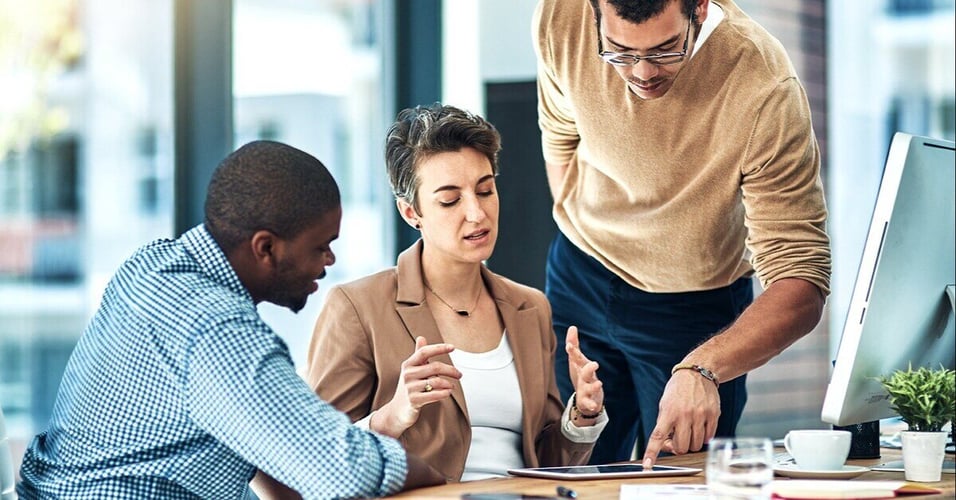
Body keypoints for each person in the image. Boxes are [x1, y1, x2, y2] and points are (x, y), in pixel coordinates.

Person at [16, 141, 443, 498]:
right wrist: (436, 481)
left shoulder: (150, 265)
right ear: (265, 248)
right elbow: (341, 470)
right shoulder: (216, 329)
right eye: (320, 246)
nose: (330, 260)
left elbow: (267, 440)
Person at [532, 0, 831, 467]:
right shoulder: (561, 15)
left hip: (692, 311)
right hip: (579, 278)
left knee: (681, 483)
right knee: (566, 472)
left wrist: (703, 368)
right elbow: (560, 133)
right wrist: (581, 219)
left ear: (700, 7)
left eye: (665, 49)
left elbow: (802, 280)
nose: (642, 72)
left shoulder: (763, 86)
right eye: (620, 52)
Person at [305, 103, 608, 482]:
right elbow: (317, 459)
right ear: (411, 213)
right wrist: (392, 416)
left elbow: (546, 461)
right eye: (450, 200)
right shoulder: (357, 307)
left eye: (485, 190)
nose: (477, 213)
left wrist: (582, 415)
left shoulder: (530, 307)